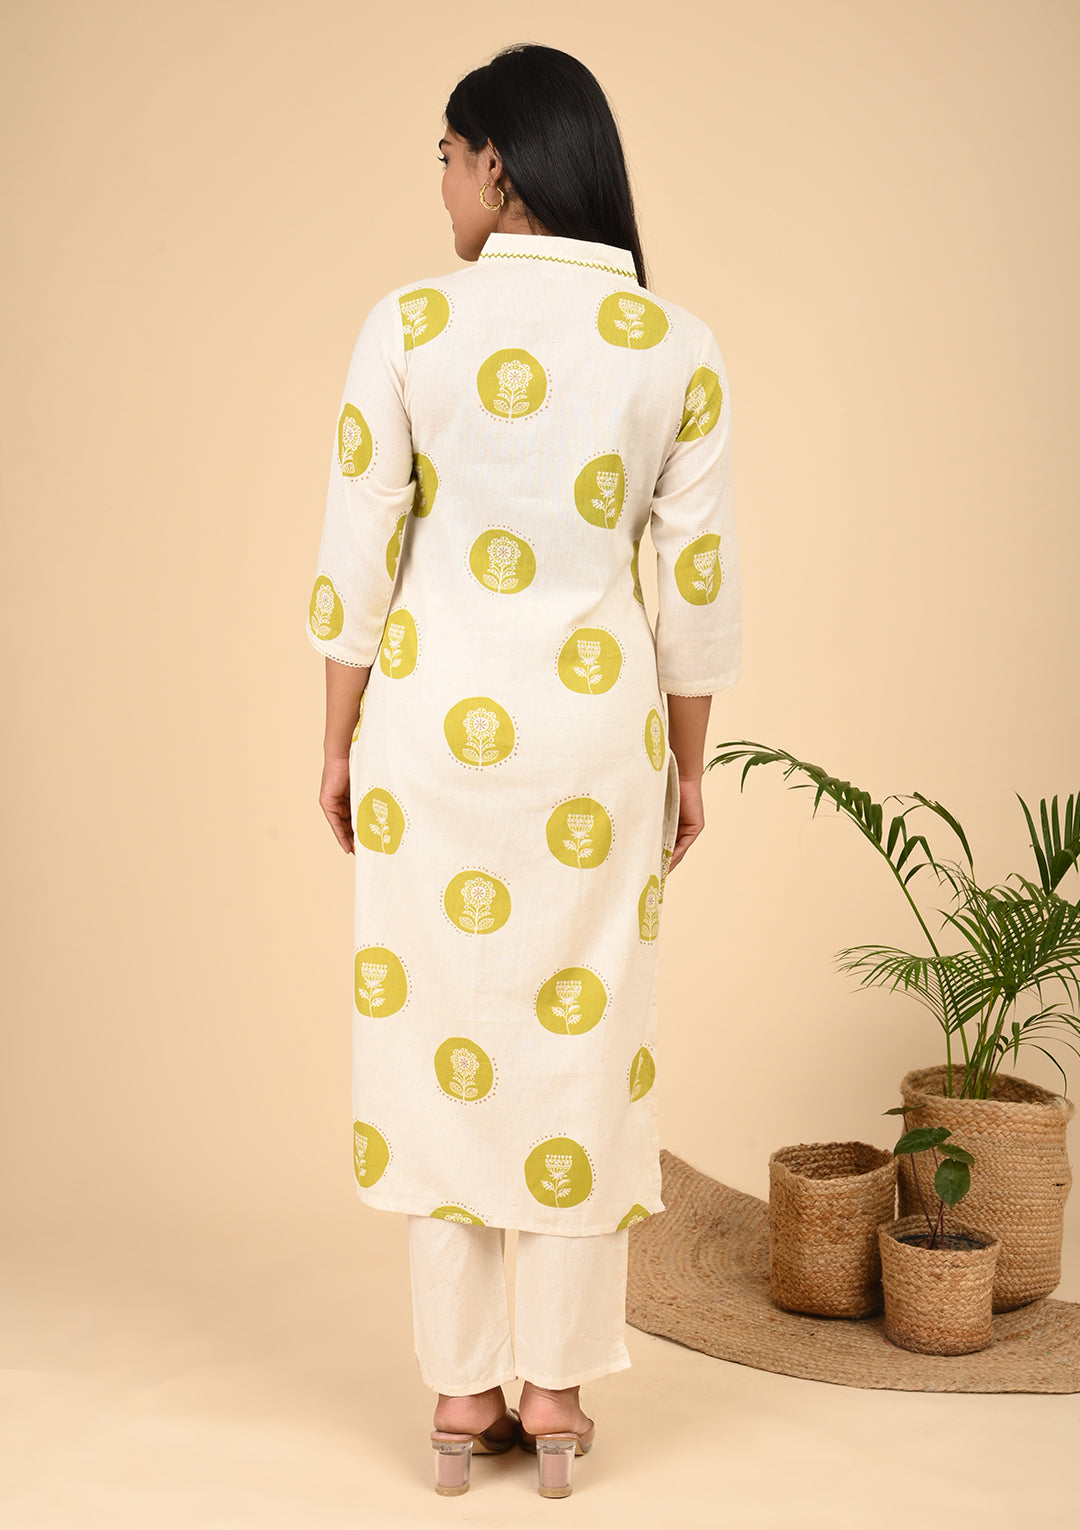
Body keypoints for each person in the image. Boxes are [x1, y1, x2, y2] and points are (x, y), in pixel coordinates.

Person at [305, 42, 742, 1499]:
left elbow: (357, 553)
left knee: (439, 1031)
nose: (439, 184)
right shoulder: (676, 346)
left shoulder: (408, 325)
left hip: (430, 738)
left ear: (497, 162)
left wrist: (334, 739)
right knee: (579, 1045)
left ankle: (458, 1390)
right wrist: (690, 766)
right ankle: (553, 1391)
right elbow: (696, 590)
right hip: (592, 747)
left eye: (445, 157)